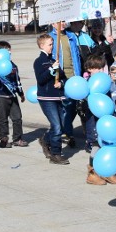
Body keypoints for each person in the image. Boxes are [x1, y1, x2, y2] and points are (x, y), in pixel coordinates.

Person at [82, 53, 116, 186]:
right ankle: (92, 173)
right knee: (96, 145)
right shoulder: (87, 84)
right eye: (96, 68)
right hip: (93, 120)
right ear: (89, 69)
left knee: (108, 143)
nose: (99, 71)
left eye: (101, 68)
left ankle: (106, 170)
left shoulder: (104, 82)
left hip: (106, 119)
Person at [34, 33, 68, 165]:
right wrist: (50, 70)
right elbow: (41, 79)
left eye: (53, 44)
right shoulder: (39, 61)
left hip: (57, 96)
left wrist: (61, 83)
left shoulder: (54, 60)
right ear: (42, 45)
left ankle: (46, 139)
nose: (52, 46)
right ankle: (56, 154)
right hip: (46, 97)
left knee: (62, 125)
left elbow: (63, 77)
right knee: (57, 126)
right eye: (50, 44)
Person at [0, 41, 27, 149]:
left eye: (9, 50)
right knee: (3, 119)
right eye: (6, 50)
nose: (9, 52)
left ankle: (17, 139)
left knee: (17, 118)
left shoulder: (13, 66)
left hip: (12, 96)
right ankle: (4, 139)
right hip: (0, 96)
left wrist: (21, 93)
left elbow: (17, 81)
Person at [50, 20, 83, 148]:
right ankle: (67, 133)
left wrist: (78, 74)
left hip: (73, 76)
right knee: (66, 105)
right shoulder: (51, 37)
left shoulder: (71, 36)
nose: (62, 24)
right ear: (53, 23)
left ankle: (65, 129)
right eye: (59, 22)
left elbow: (76, 56)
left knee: (73, 106)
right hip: (61, 77)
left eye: (64, 21)